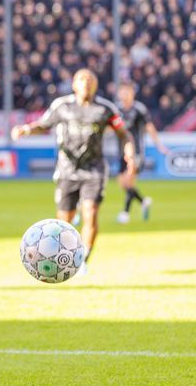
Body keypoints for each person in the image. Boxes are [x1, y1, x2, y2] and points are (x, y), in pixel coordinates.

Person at [11, 69, 136, 263]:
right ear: (73, 85)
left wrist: (129, 151)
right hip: (67, 169)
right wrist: (26, 130)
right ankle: (63, 257)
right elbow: (43, 125)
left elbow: (124, 134)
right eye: (82, 79)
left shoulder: (105, 109)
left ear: (95, 84)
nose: (86, 83)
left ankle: (82, 260)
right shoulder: (62, 106)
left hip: (94, 169)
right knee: (64, 222)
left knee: (91, 213)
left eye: (90, 79)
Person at [114, 82, 168, 224]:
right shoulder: (116, 109)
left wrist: (159, 145)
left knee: (129, 180)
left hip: (136, 151)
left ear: (132, 93)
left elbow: (149, 127)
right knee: (122, 183)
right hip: (121, 151)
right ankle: (143, 201)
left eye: (127, 92)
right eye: (122, 92)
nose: (124, 94)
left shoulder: (139, 109)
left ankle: (125, 213)